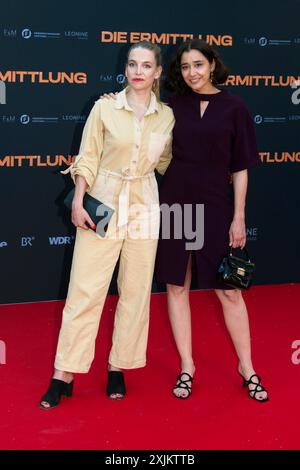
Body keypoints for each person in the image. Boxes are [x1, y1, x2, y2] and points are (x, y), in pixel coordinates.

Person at [39, 41, 174, 409]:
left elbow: (165, 161)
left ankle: (119, 366)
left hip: (145, 206)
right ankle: (63, 373)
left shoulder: (166, 116)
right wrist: (79, 199)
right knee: (85, 289)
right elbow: (88, 157)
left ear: (158, 72)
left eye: (147, 65)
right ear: (126, 68)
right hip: (103, 202)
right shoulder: (104, 108)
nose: (138, 71)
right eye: (133, 64)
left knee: (135, 292)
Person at [155, 40, 268, 402]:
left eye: (199, 64)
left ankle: (246, 366)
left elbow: (241, 168)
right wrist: (113, 101)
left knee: (229, 290)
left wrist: (239, 216)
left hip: (218, 207)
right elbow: (137, 115)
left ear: (213, 64)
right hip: (176, 204)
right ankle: (187, 365)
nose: (192, 73)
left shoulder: (235, 107)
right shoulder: (171, 105)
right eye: (186, 67)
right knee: (177, 286)